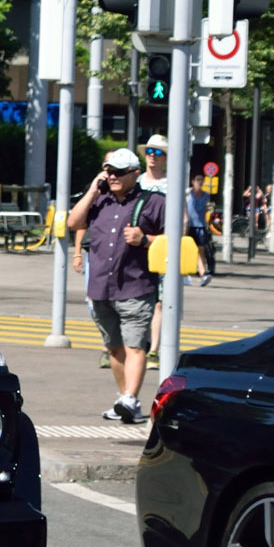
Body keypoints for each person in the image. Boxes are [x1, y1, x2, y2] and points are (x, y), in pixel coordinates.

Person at [66, 149, 167, 423]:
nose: (112, 177)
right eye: (109, 171)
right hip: (101, 287)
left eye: (119, 172)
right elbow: (73, 223)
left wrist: (145, 239)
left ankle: (130, 397)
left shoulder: (154, 202)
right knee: (114, 347)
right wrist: (91, 191)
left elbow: (176, 239)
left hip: (135, 286)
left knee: (135, 345)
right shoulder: (99, 201)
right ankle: (126, 401)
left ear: (135, 173)